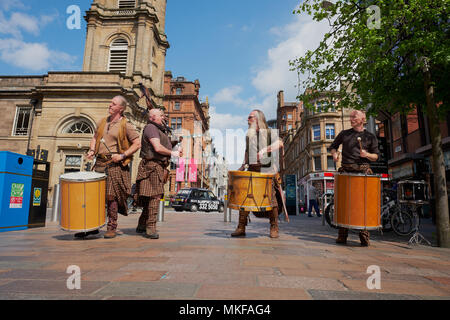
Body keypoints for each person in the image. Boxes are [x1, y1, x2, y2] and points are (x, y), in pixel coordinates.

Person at [82, 95, 141, 239]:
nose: (110, 105)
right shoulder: (102, 122)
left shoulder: (125, 125)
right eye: (110, 103)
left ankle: (111, 227)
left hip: (115, 164)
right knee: (95, 196)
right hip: (100, 163)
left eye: (113, 104)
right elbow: (95, 137)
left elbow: (137, 143)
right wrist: (91, 150)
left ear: (120, 108)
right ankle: (93, 226)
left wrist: (122, 155)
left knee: (111, 196)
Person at [232, 109, 286, 238]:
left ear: (258, 119)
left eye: (250, 117)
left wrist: (265, 149)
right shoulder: (249, 136)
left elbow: (280, 143)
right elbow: (247, 152)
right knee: (244, 199)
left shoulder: (268, 132)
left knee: (271, 200)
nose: (248, 120)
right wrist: (243, 165)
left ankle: (274, 227)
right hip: (251, 169)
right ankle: (241, 227)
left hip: (267, 171)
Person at [330, 109, 379, 246]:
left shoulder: (370, 137)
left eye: (354, 117)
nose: (351, 119)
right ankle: (342, 234)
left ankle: (364, 235)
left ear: (362, 119)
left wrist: (367, 155)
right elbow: (333, 147)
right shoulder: (344, 134)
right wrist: (335, 154)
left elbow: (376, 156)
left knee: (362, 205)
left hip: (362, 172)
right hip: (346, 170)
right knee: (344, 203)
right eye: (351, 117)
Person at [134, 108, 182, 239]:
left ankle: (142, 225)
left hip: (157, 166)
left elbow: (162, 145)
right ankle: (151, 227)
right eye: (162, 115)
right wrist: (173, 153)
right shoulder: (151, 127)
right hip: (152, 166)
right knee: (155, 197)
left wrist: (174, 142)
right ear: (153, 117)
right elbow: (157, 147)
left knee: (150, 198)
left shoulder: (160, 130)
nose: (164, 117)